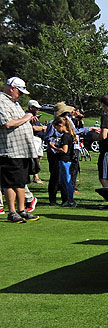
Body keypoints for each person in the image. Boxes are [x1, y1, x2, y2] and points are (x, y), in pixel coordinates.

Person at [0, 77, 42, 222]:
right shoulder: (1, 101)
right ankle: (12, 211)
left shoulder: (15, 103)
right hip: (10, 149)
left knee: (21, 181)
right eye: (20, 91)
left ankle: (21, 209)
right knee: (10, 182)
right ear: (12, 88)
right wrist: (26, 117)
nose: (21, 95)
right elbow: (8, 123)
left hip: (22, 150)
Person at [51, 115, 78, 207]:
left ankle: (70, 200)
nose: (56, 130)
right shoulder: (70, 135)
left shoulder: (65, 136)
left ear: (61, 125)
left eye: (56, 127)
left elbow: (65, 150)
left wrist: (54, 147)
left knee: (66, 180)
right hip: (67, 160)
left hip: (65, 160)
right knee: (63, 181)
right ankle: (67, 200)